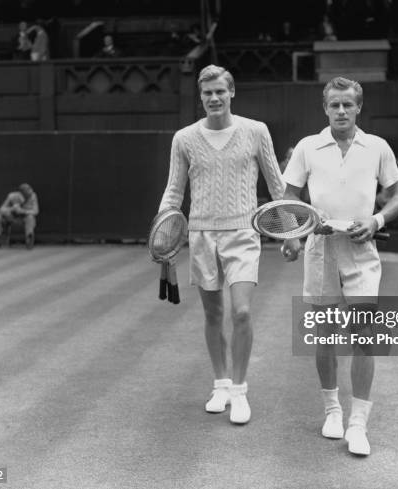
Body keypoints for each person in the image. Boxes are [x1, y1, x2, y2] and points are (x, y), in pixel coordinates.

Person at [281, 77, 398, 456]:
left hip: (362, 250)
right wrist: (293, 236)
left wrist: (376, 221)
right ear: (325, 108)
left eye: (347, 105)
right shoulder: (307, 147)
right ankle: (332, 410)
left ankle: (358, 424)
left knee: (364, 337)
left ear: (358, 107)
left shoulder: (378, 147)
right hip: (320, 248)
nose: (340, 111)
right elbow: (289, 199)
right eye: (334, 105)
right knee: (325, 336)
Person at [157, 65, 285, 425]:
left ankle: (241, 392)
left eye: (220, 92)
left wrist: (292, 234)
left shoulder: (256, 131)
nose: (214, 98)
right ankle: (221, 385)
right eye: (207, 93)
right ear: (200, 96)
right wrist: (164, 231)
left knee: (241, 312)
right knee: (213, 315)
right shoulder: (183, 138)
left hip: (243, 233)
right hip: (201, 235)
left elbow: (277, 188)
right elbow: (174, 191)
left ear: (232, 93)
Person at [0, 183, 39, 249]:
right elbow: (1, 210)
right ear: (22, 193)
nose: (30, 194)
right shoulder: (12, 196)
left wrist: (23, 211)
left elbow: (36, 211)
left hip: (24, 218)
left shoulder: (33, 196)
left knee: (30, 217)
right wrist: (12, 209)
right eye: (27, 192)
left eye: (30, 191)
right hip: (12, 218)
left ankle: (29, 239)